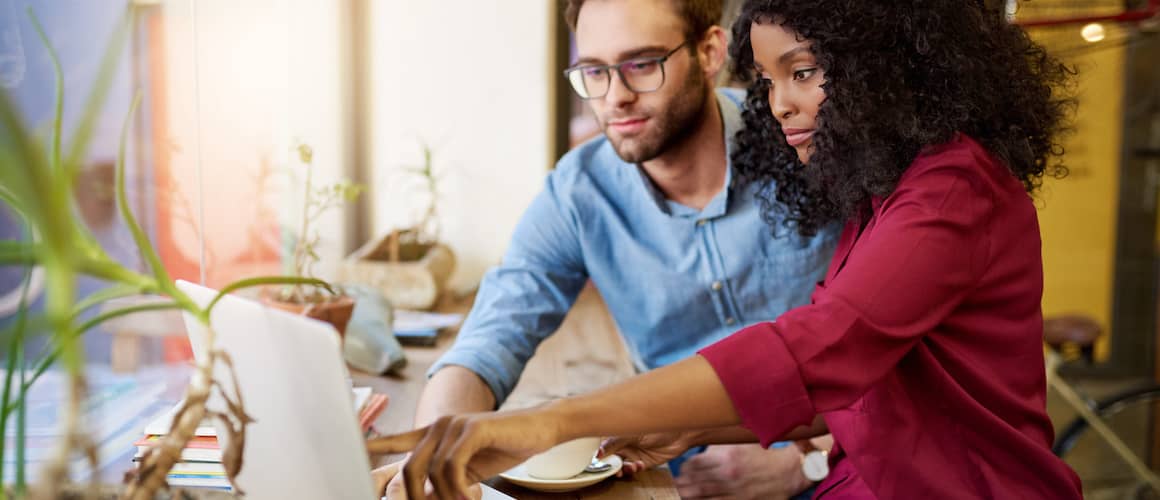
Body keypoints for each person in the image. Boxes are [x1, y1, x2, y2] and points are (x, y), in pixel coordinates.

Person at [368, 0, 1087, 498]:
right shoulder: (868, 179)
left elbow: (817, 353)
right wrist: (670, 425)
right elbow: (853, 385)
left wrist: (555, 420)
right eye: (593, 71)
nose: (779, 105)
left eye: (803, 72)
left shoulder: (947, 188)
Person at [370, 0, 838, 498]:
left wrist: (807, 461)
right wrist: (424, 463)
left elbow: (891, 336)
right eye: (594, 71)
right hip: (678, 476)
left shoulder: (806, 143)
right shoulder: (579, 193)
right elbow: (488, 342)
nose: (615, 96)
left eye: (641, 65)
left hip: (839, 460)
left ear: (709, 52)